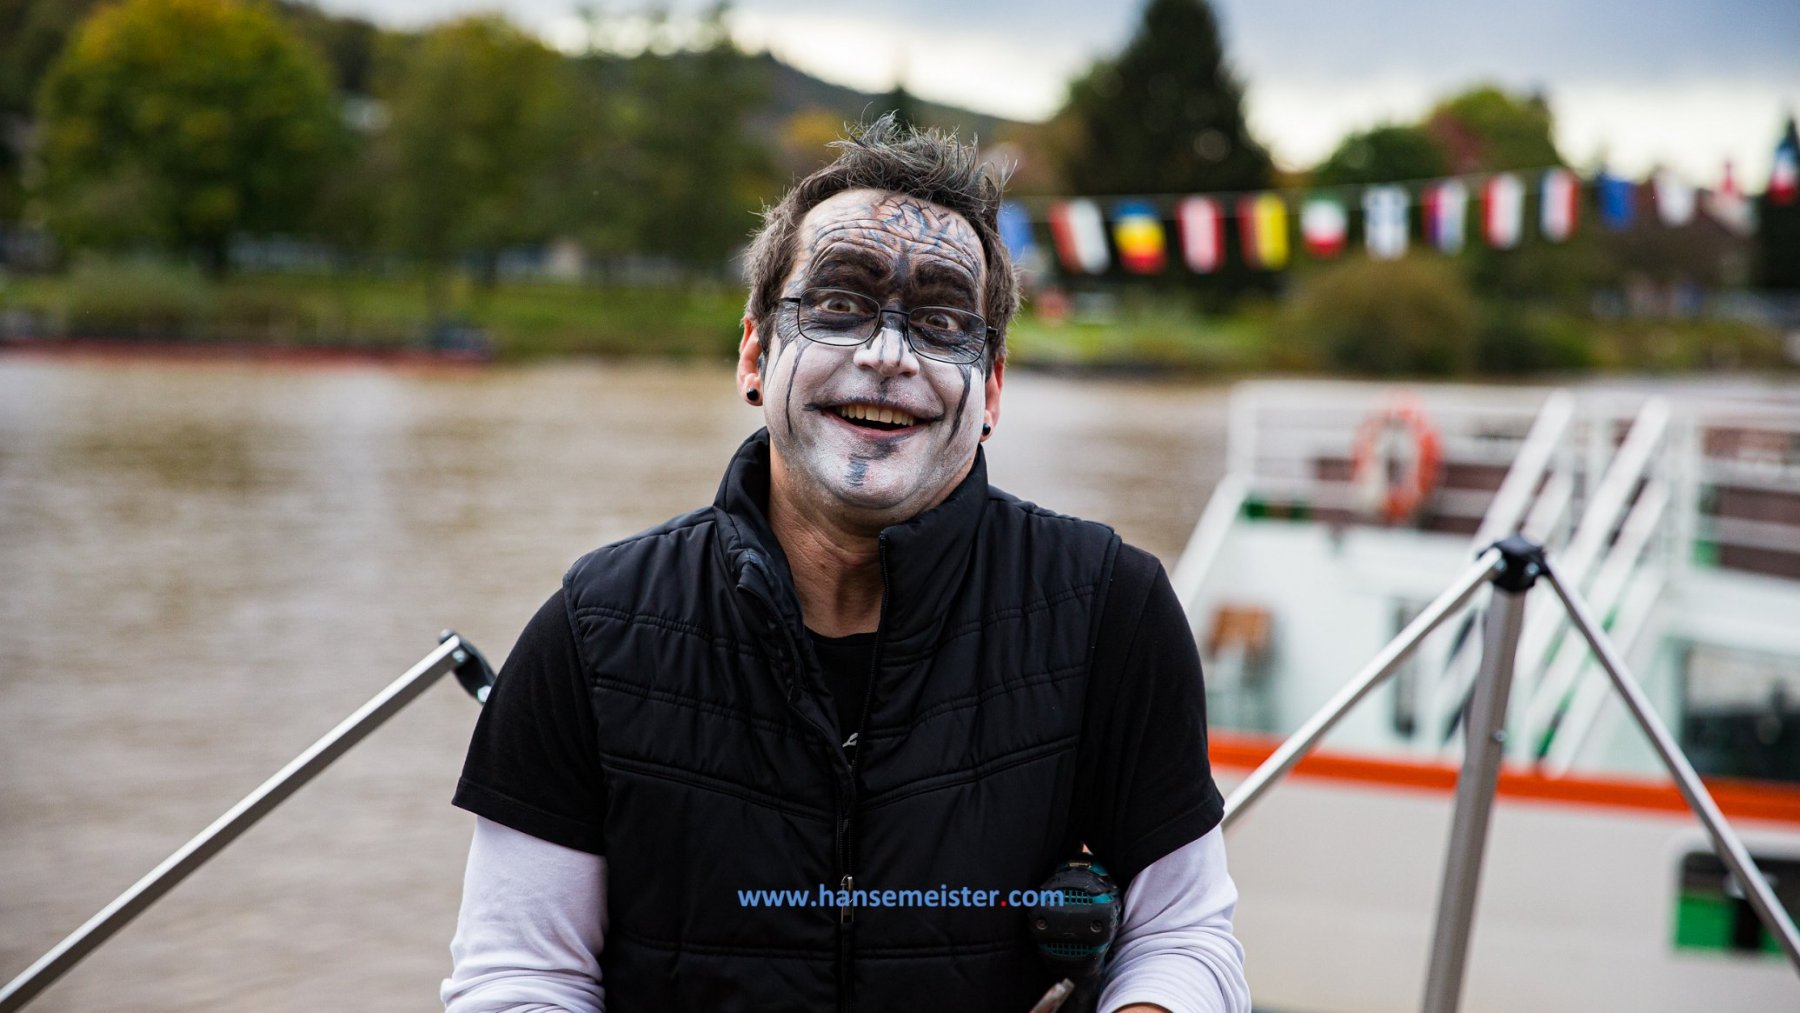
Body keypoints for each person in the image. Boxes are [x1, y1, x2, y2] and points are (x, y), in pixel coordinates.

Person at [441, 115, 1249, 1013]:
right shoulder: (593, 631)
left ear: (990, 389)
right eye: (837, 307)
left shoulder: (1112, 612)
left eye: (941, 322)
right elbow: (520, 974)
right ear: (754, 354)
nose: (887, 356)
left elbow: (1182, 934)